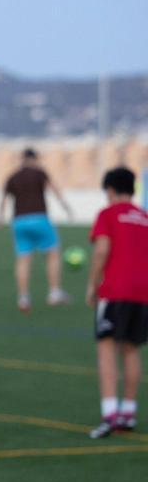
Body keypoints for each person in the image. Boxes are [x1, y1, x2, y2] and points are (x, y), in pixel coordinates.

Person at [85, 166, 148, 439]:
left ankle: (109, 415)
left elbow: (102, 249)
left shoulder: (107, 214)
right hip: (143, 292)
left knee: (107, 349)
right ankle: (128, 413)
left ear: (109, 190)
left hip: (116, 290)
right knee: (132, 350)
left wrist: (92, 284)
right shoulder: (145, 217)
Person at [0, 147, 74, 313]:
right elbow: (55, 189)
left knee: (23, 259)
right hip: (39, 218)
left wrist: (0, 219)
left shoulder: (13, 176)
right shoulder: (39, 173)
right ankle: (54, 292)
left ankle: (23, 297)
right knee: (53, 253)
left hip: (19, 221)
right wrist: (66, 207)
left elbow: (3, 199)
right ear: (34, 158)